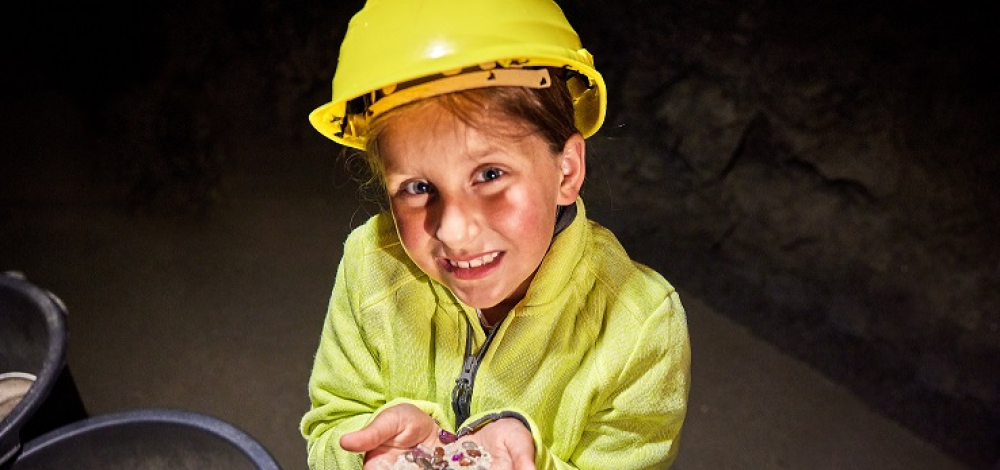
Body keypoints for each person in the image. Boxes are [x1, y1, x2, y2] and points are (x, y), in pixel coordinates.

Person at [300, 1, 691, 469]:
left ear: (566, 171)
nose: (454, 232)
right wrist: (369, 453)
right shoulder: (371, 264)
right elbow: (332, 424)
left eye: (490, 175)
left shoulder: (641, 327)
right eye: (418, 188)